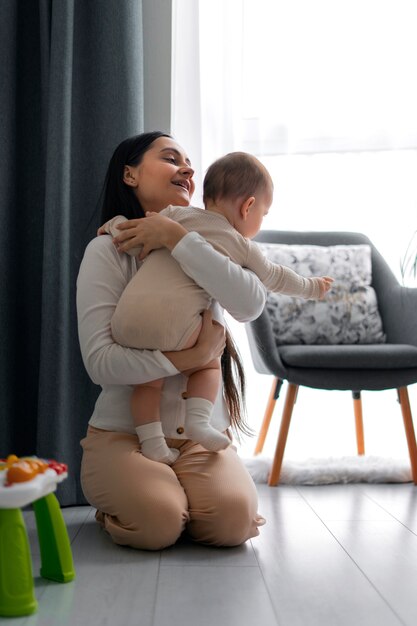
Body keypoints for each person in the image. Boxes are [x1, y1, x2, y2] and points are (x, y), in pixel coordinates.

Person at [77, 131, 269, 550]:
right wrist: (191, 358)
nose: (187, 168)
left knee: (233, 523)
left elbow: (251, 303)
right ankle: (140, 495)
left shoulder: (204, 245)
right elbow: (100, 363)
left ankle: (175, 491)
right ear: (129, 175)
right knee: (159, 522)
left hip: (198, 437)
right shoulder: (107, 251)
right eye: (169, 158)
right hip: (124, 434)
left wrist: (178, 240)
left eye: (189, 163)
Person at [100, 152, 333, 465]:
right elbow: (275, 278)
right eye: (264, 213)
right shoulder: (241, 244)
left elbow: (132, 231)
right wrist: (312, 287)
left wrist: (113, 226)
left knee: (147, 381)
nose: (261, 221)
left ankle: (151, 441)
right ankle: (199, 422)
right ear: (248, 206)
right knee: (209, 361)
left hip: (125, 322)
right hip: (175, 327)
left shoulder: (173, 216)